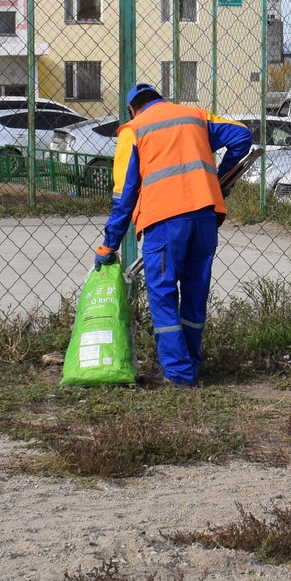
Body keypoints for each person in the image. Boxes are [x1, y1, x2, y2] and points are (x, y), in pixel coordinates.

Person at [95, 82, 253, 386]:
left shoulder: (134, 130)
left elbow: (123, 194)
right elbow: (242, 135)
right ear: (160, 99)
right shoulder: (194, 115)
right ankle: (190, 366)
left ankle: (178, 374)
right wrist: (221, 180)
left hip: (164, 221)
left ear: (132, 108)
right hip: (205, 217)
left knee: (163, 295)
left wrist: (109, 244)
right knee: (195, 293)